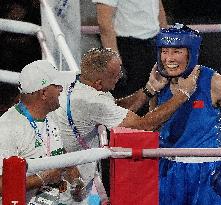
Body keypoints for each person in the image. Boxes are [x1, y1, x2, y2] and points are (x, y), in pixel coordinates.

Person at [55, 47, 200, 197]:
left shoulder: (78, 82)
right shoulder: (92, 101)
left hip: (73, 169)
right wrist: (182, 95)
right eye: (115, 75)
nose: (121, 76)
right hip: (72, 185)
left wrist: (149, 89)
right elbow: (144, 125)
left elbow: (115, 107)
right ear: (98, 83)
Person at [149, 24, 221, 204]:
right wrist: (150, 91)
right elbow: (152, 126)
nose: (169, 58)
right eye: (165, 51)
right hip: (168, 168)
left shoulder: (214, 82)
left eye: (176, 52)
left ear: (191, 53)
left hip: (208, 170)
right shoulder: (158, 81)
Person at [0, 60, 82, 204]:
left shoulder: (50, 118)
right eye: (56, 86)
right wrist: (43, 179)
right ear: (43, 93)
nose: (61, 89)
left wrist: (75, 179)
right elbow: (1, 185)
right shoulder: (7, 128)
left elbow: (59, 154)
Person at [91, 0, 168, 104]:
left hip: (153, 45)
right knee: (127, 103)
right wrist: (114, 59)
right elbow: (104, 23)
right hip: (126, 49)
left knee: (153, 100)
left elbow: (158, 7)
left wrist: (166, 43)